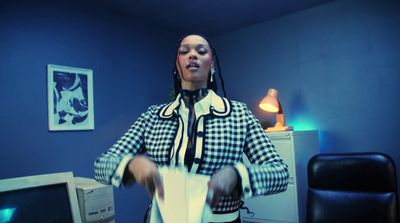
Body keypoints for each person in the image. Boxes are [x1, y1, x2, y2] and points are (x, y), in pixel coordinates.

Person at [94, 34, 289, 223]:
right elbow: (102, 165)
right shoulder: (152, 117)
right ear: (178, 67)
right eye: (184, 51)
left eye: (201, 51)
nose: (192, 55)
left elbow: (279, 173)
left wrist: (237, 176)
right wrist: (133, 165)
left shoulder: (239, 115)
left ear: (211, 65)